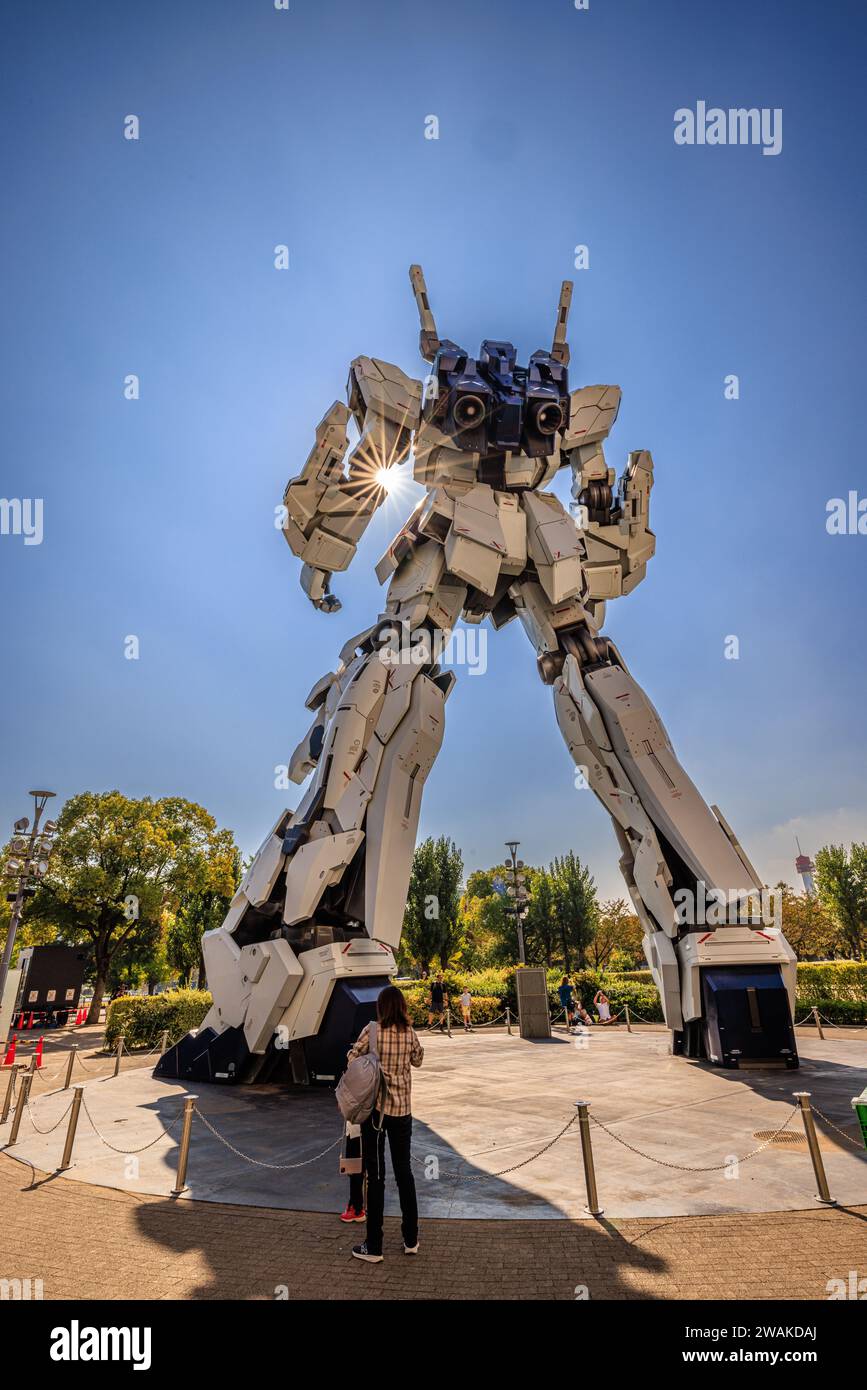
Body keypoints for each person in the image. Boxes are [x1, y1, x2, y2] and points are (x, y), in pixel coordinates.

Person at [347, 984, 424, 1264]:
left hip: (376, 1113)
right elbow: (418, 1060)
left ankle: (374, 1245)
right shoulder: (409, 1033)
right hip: (402, 1111)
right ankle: (411, 1239)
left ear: (381, 1007)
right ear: (402, 1006)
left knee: (376, 1176)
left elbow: (352, 1059)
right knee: (404, 1173)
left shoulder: (372, 1031)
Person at [339, 1121, 365, 1224]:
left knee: (354, 1170)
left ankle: (356, 1208)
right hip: (358, 1131)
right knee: (356, 1169)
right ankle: (356, 1205)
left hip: (356, 1131)